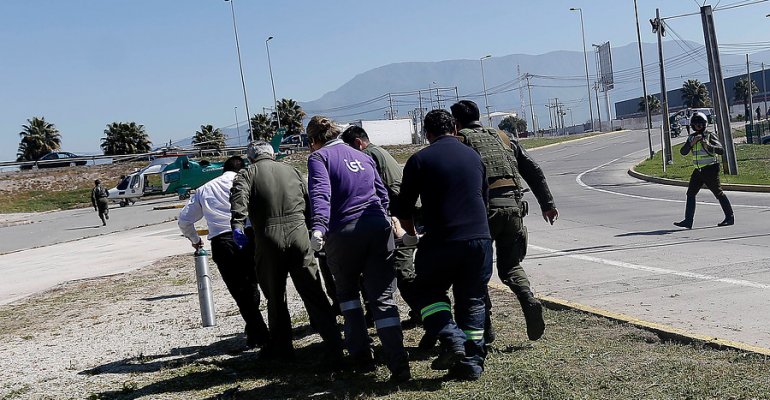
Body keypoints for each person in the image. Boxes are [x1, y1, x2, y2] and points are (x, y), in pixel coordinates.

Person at [306, 115, 410, 382]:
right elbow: (382, 194)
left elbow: (321, 194)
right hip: (377, 227)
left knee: (348, 295)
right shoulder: (362, 155)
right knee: (383, 299)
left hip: (344, 232)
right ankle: (399, 362)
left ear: (314, 140)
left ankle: (361, 355)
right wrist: (383, 219)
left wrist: (318, 227)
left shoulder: (319, 158)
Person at [394, 109, 493, 381]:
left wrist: (411, 234)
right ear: (454, 128)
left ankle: (451, 337)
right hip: (479, 239)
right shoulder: (474, 156)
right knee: (473, 299)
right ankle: (471, 364)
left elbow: (404, 207)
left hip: (442, 240)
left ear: (426, 133)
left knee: (427, 292)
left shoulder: (420, 159)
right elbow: (484, 199)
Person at [450, 100, 558, 343]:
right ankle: (527, 298)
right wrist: (547, 204)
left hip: (482, 214)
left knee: (477, 271)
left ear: (455, 122)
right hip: (513, 209)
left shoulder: (460, 142)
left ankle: (486, 329)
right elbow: (533, 170)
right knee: (510, 266)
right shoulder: (504, 137)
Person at [229, 141, 344, 363]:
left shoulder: (247, 174)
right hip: (299, 233)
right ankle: (333, 342)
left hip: (268, 236)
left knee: (275, 296)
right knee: (313, 290)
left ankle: (282, 348)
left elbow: (239, 199)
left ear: (251, 158)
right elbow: (308, 199)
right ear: (273, 155)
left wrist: (237, 224)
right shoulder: (292, 170)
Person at [177, 156, 269, 349]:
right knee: (252, 284)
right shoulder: (248, 182)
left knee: (238, 289)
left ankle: (257, 331)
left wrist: (195, 239)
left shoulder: (205, 188)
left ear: (223, 170)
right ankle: (257, 330)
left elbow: (184, 220)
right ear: (242, 169)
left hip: (222, 241)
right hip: (250, 236)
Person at [340, 125, 420, 322]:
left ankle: (424, 312)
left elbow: (383, 190)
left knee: (402, 269)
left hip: (397, 217)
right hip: (400, 214)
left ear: (358, 143)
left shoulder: (367, 156)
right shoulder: (378, 152)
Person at [674, 112, 734, 229]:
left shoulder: (710, 135)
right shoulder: (691, 137)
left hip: (710, 168)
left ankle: (729, 217)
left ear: (705, 124)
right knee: (690, 193)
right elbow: (683, 152)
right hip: (698, 170)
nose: (698, 126)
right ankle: (688, 221)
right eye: (696, 124)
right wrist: (692, 143)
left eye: (700, 124)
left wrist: (708, 145)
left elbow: (720, 150)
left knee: (718, 193)